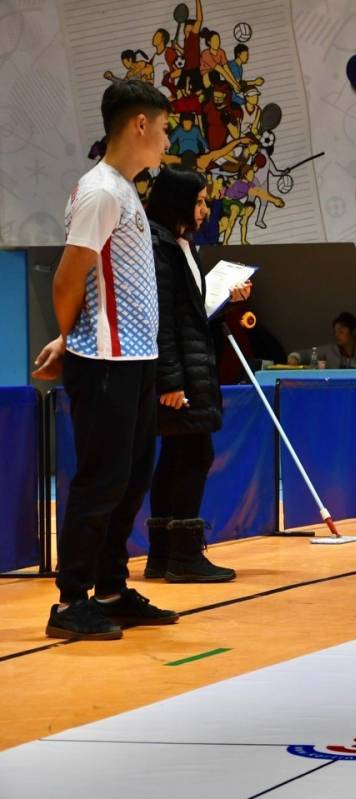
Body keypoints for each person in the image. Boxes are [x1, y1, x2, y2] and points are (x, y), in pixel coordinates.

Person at [32, 78, 176, 640]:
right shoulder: (100, 192)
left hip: (136, 360)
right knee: (101, 481)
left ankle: (111, 591)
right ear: (139, 124)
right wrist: (68, 337)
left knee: (133, 478)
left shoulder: (124, 191)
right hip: (107, 362)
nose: (167, 140)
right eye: (164, 129)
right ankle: (70, 603)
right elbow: (70, 277)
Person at [144, 165, 250, 583]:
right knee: (193, 455)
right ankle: (183, 556)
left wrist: (223, 298)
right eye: (200, 201)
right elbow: (162, 321)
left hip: (192, 367)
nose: (206, 209)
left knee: (176, 457)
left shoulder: (183, 245)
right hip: (180, 375)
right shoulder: (159, 248)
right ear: (177, 202)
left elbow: (191, 315)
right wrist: (168, 380)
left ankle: (162, 556)